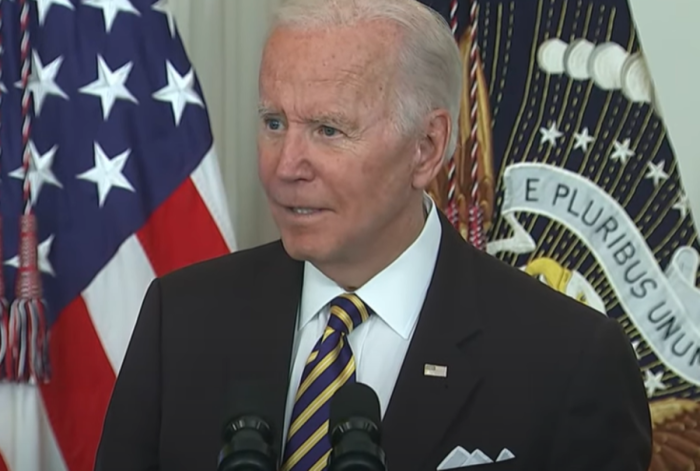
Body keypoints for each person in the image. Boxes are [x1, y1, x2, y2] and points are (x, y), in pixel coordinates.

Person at [94, 0, 652, 470]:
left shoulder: (569, 360)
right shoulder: (182, 316)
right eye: (273, 123)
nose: (285, 165)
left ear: (427, 148)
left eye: (328, 129)